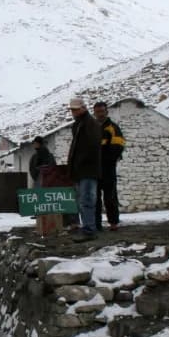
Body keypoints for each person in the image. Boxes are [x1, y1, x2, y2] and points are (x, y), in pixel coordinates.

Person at [66, 97, 102, 241]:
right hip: (82, 169)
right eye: (72, 110)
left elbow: (92, 147)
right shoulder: (80, 124)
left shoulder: (89, 124)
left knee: (87, 199)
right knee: (83, 200)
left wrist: (80, 162)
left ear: (83, 108)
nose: (73, 112)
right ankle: (88, 227)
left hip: (88, 169)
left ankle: (89, 230)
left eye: (75, 109)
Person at [93, 101, 126, 232]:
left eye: (102, 111)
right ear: (94, 113)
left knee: (110, 197)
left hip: (107, 169)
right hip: (94, 169)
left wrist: (107, 160)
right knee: (94, 198)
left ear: (106, 112)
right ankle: (96, 224)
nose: (100, 114)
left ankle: (113, 223)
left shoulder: (113, 128)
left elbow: (118, 147)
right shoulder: (92, 128)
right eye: (97, 112)